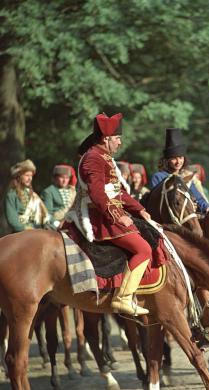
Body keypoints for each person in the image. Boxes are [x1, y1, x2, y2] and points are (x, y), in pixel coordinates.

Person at [65, 113, 153, 317]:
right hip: (101, 219)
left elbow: (118, 192)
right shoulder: (93, 158)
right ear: (107, 139)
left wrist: (139, 209)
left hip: (110, 214)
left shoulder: (104, 157)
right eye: (118, 138)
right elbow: (97, 193)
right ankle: (123, 298)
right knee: (143, 250)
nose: (120, 142)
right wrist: (117, 215)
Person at [150, 128, 209, 214]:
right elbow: (155, 203)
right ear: (167, 160)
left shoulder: (185, 177)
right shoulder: (158, 177)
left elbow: (199, 199)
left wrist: (208, 208)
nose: (178, 162)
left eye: (181, 158)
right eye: (174, 158)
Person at [5, 159, 49, 232]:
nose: (30, 178)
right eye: (27, 175)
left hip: (38, 231)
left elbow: (45, 215)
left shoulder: (33, 195)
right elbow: (13, 220)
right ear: (18, 176)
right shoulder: (11, 195)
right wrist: (26, 229)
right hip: (20, 233)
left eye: (31, 176)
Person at [41, 164, 77, 230]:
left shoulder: (72, 192)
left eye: (67, 178)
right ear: (55, 178)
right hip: (55, 224)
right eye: (62, 177)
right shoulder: (48, 192)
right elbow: (46, 213)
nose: (64, 181)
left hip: (72, 222)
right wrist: (56, 223)